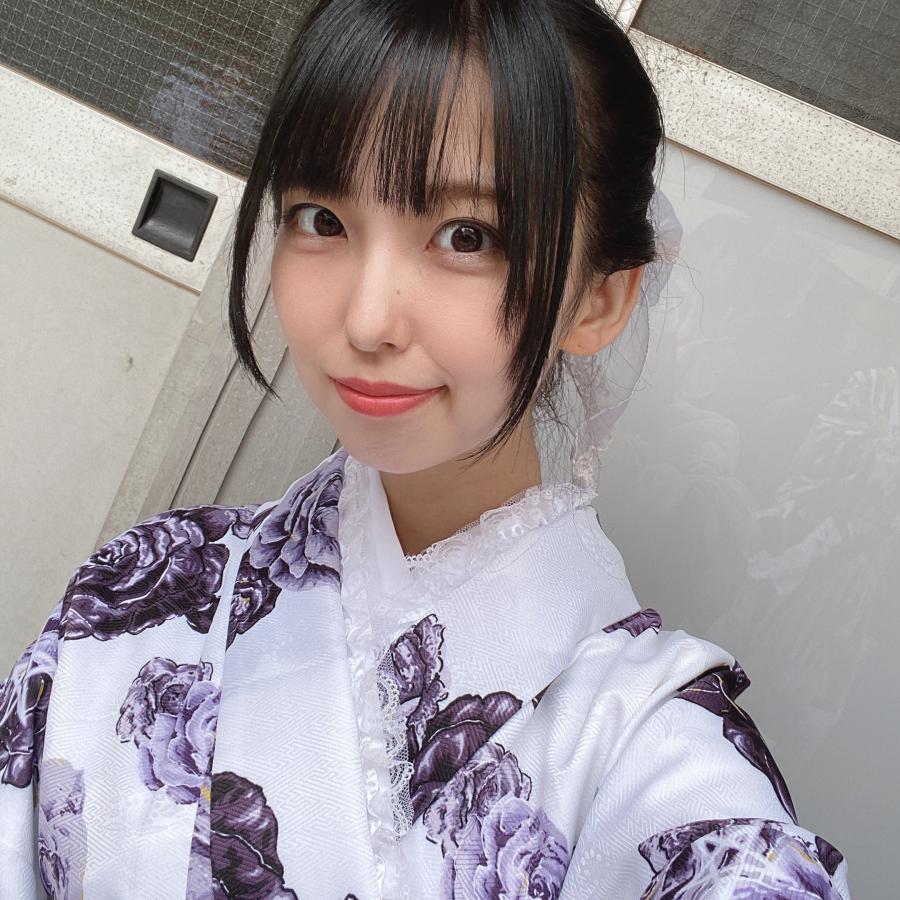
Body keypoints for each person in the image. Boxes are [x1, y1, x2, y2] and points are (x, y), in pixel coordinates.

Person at [0, 1, 851, 897]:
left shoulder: (642, 751)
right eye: (321, 217)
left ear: (598, 300)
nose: (367, 319)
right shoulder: (144, 583)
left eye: (466, 237)